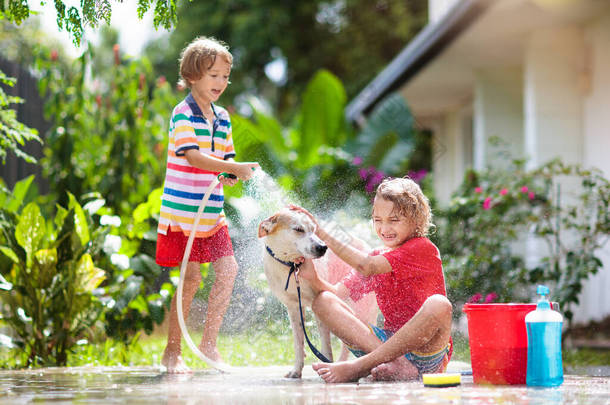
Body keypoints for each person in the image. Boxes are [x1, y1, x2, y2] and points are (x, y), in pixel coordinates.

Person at [155, 37, 258, 374]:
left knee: (228, 271)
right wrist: (230, 168)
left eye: (225, 77)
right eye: (214, 75)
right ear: (193, 75)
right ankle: (172, 352)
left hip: (210, 213)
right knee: (191, 280)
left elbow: (225, 157)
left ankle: (209, 345)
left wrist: (231, 172)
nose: (221, 83)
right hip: (183, 214)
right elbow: (195, 157)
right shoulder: (182, 113)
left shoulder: (223, 116)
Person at [290, 177, 452, 383]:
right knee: (323, 301)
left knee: (439, 304)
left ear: (417, 220)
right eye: (378, 220)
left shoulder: (422, 248)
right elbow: (336, 295)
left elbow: (367, 265)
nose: (384, 228)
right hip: (386, 348)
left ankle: (360, 366)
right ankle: (397, 366)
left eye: (394, 220)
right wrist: (311, 277)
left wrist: (322, 233)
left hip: (427, 353)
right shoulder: (378, 255)